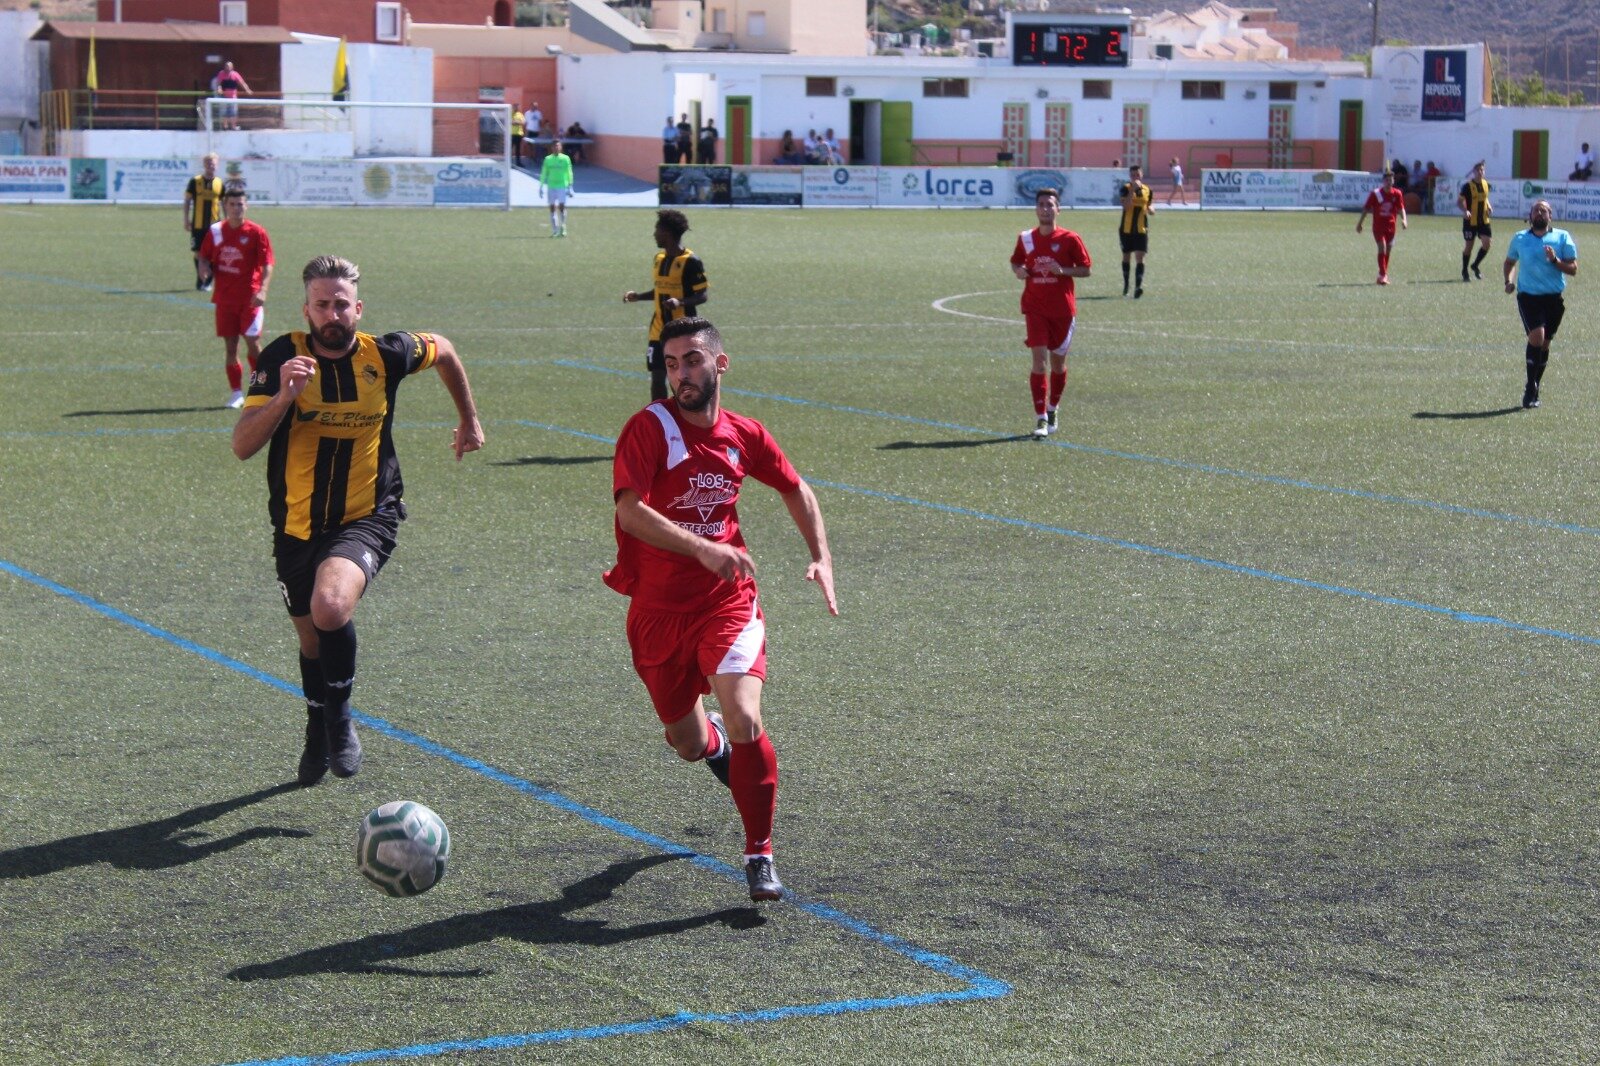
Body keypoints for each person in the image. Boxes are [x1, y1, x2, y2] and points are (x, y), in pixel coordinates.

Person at [603, 315, 837, 902]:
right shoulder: (648, 428)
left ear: (719, 365)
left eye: (691, 361)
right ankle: (713, 748)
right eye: (671, 364)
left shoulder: (744, 434)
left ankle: (759, 854)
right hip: (657, 613)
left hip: (726, 602)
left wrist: (820, 555)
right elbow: (630, 512)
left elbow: (794, 487)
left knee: (744, 714)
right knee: (686, 741)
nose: (679, 373)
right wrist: (703, 547)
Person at [231, 254, 484, 786]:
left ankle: (341, 721)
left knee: (331, 604)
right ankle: (316, 726)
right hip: (296, 525)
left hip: (368, 515)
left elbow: (446, 350)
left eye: (341, 304)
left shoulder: (386, 354)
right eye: (321, 304)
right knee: (311, 641)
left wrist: (469, 419)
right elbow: (243, 445)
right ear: (306, 309)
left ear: (358, 308)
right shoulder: (282, 356)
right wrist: (284, 396)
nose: (332, 314)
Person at [1010, 187, 1092, 438]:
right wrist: (1019, 270)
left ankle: (1053, 407)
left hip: (1063, 311)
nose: (1045, 209)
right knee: (1039, 362)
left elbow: (1085, 270)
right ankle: (1041, 419)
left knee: (1058, 365)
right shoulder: (1025, 238)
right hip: (1035, 309)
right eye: (1041, 204)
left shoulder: (1069, 239)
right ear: (1036, 209)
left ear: (1058, 209)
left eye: (1050, 204)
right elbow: (1016, 261)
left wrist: (1062, 271)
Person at [197, 183, 274, 408]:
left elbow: (268, 264)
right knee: (231, 348)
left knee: (253, 342)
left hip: (250, 299)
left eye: (240, 204)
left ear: (246, 205)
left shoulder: (256, 232)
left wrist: (263, 289)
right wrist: (203, 268)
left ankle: (261, 387)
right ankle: (236, 393)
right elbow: (204, 256)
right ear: (224, 206)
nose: (236, 208)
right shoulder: (216, 231)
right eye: (231, 204)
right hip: (224, 300)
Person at [623, 209, 708, 401]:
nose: (654, 234)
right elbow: (661, 291)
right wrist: (639, 296)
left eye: (657, 230)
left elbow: (702, 295)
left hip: (682, 331)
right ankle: (658, 416)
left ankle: (684, 414)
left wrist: (680, 302)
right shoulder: (658, 259)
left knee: (681, 378)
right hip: (658, 330)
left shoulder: (691, 261)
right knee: (657, 375)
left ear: (667, 233)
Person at [1503, 200, 1579, 409]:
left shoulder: (1562, 237)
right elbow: (1509, 262)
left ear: (1550, 216)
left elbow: (1573, 268)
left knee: (1545, 344)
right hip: (1528, 297)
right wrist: (1508, 281)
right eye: (1536, 210)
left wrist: (1555, 261)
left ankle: (1536, 385)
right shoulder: (1520, 238)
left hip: (1553, 299)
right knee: (1538, 336)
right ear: (1530, 215)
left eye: (1543, 210)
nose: (1539, 213)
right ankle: (1530, 387)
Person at [1356, 169, 1408, 286]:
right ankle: (1384, 275)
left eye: (1391, 180)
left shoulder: (1397, 194)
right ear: (1383, 181)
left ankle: (1381, 274)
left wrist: (1404, 219)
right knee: (1382, 248)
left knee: (1388, 251)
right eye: (1386, 180)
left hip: (1391, 227)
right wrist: (1360, 223)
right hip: (1378, 227)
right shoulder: (1376, 194)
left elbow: (1401, 209)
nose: (1389, 182)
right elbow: (1366, 209)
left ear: (1393, 181)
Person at [183, 152, 224, 291]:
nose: (210, 166)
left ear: (217, 165)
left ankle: (207, 282)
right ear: (204, 165)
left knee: (215, 254)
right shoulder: (195, 182)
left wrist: (228, 221)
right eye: (208, 163)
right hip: (198, 225)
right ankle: (201, 281)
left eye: (213, 164)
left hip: (215, 226)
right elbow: (187, 201)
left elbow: (223, 203)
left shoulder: (219, 183)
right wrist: (186, 219)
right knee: (198, 253)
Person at [1118, 163, 1154, 298]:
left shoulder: (1148, 190)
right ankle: (1126, 284)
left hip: (1141, 229)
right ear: (1130, 176)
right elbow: (1126, 207)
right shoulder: (1125, 189)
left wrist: (1151, 210)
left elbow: (1150, 205)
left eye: (1137, 175)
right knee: (1126, 256)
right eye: (1133, 175)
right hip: (1126, 229)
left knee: (1140, 257)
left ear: (1142, 175)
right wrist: (1132, 190)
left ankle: (1138, 287)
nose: (1135, 177)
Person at [1459, 160, 1494, 282]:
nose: (1480, 172)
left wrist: (1488, 206)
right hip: (1470, 221)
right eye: (1478, 170)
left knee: (1487, 243)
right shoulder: (1467, 186)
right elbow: (1459, 201)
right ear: (1473, 172)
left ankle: (1475, 265)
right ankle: (1464, 271)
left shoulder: (1486, 184)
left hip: (1484, 220)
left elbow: (1485, 199)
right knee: (1469, 247)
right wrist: (1465, 210)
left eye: (1482, 170)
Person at [538, 137, 575, 237]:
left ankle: (563, 226)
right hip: (551, 186)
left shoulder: (565, 159)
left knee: (562, 207)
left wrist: (570, 186)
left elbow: (569, 172)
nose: (556, 148)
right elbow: (544, 173)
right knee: (552, 208)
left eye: (558, 146)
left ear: (561, 147)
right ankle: (555, 230)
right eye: (554, 146)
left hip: (562, 186)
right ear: (551, 148)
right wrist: (541, 186)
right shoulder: (548, 159)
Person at [213, 62, 252, 131]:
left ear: (232, 67)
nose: (227, 68)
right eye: (226, 66)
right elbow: (218, 83)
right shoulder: (221, 73)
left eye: (229, 66)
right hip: (223, 97)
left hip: (233, 97)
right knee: (224, 112)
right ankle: (225, 127)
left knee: (233, 112)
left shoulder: (235, 74)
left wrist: (247, 90)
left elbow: (242, 83)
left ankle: (233, 126)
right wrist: (219, 89)